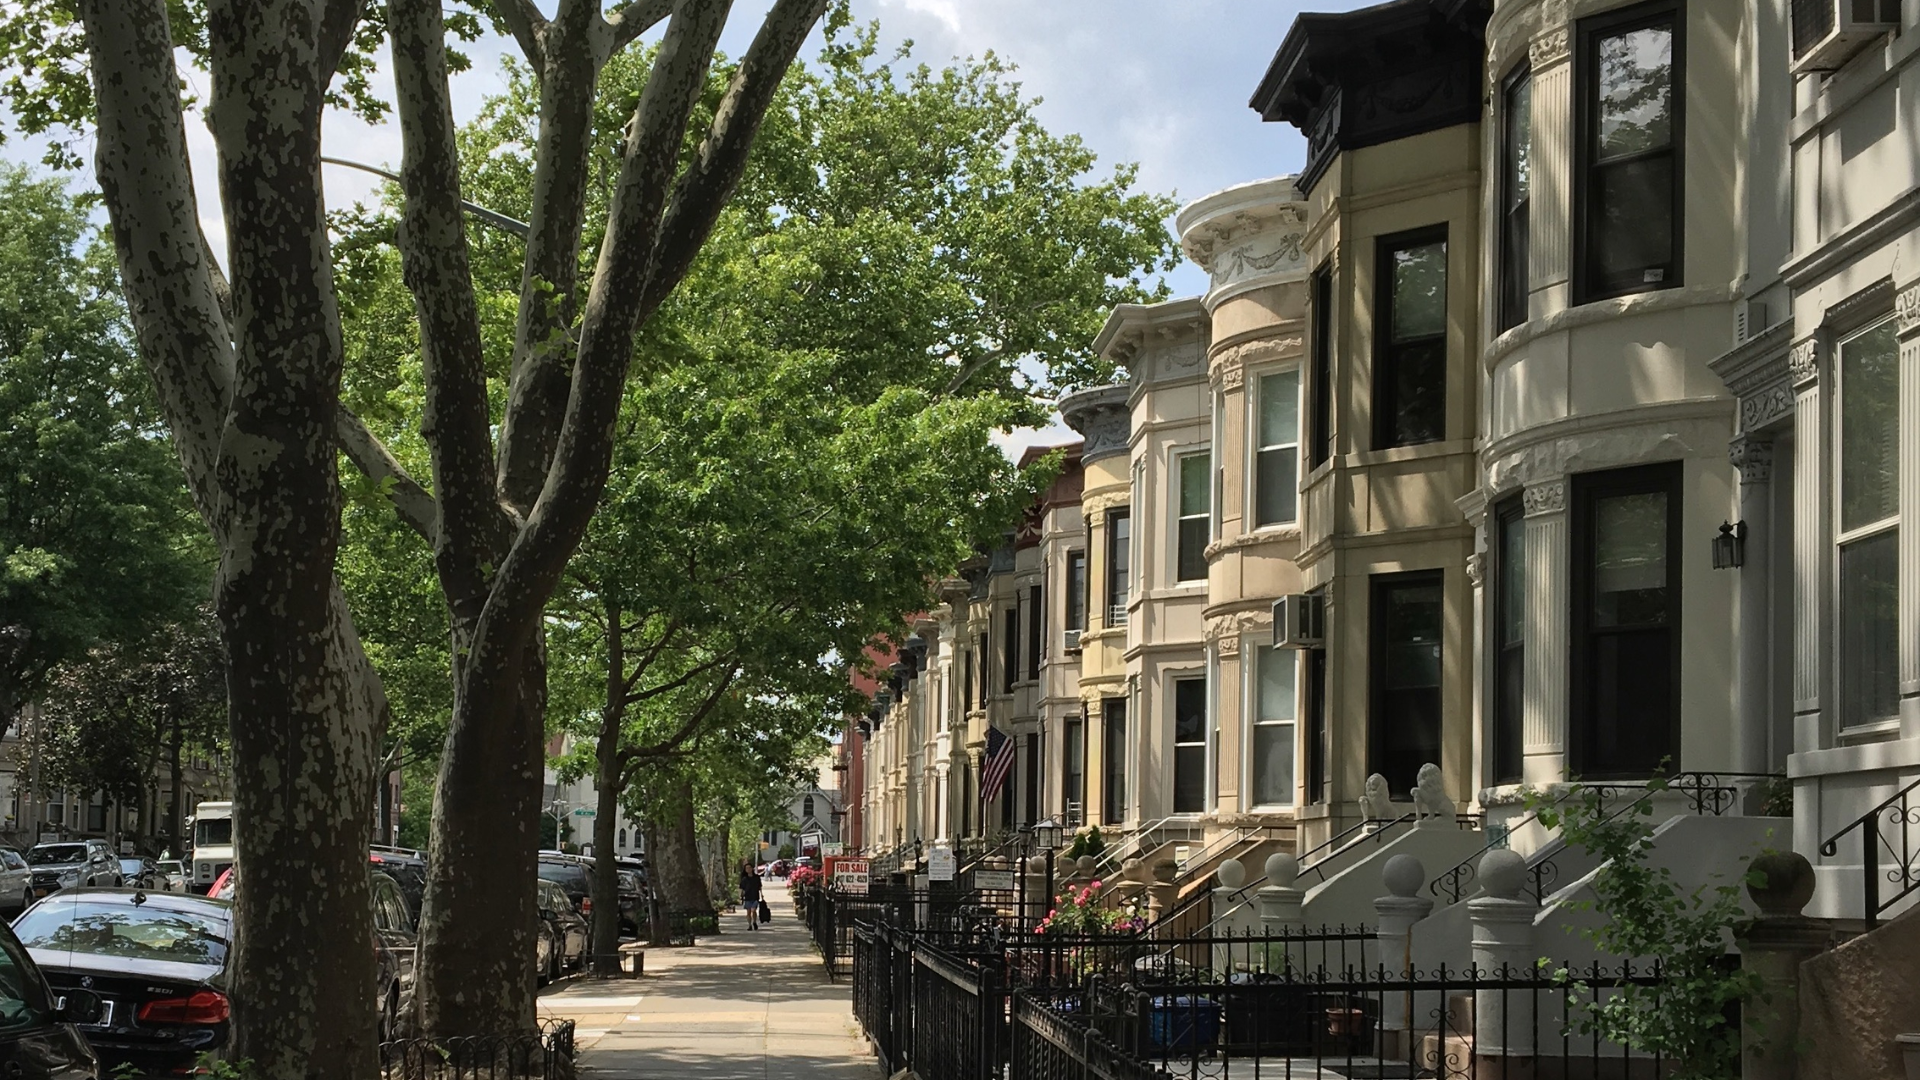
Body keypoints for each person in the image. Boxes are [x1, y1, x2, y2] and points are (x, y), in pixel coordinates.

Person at [739, 861, 763, 930]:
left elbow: (760, 887)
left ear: (752, 868)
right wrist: (741, 896)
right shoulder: (744, 879)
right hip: (747, 897)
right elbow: (741, 888)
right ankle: (749, 925)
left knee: (753, 910)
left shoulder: (756, 878)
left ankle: (754, 922)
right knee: (748, 912)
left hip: (755, 896)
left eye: (749, 868)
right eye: (747, 868)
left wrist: (762, 895)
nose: (748, 869)